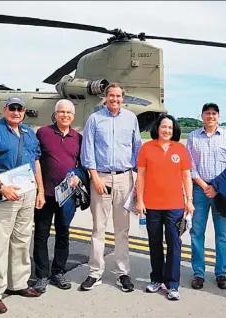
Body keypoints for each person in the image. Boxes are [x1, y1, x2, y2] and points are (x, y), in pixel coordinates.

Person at [0, 96, 45, 314]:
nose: (16, 112)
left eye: (20, 109)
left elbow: (36, 162)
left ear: (24, 111)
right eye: (12, 108)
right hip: (4, 193)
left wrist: (40, 191)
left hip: (27, 191)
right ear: (5, 109)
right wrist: (0, 186)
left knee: (22, 239)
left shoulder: (28, 132)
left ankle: (18, 283)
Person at [80, 82, 142, 292]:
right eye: (111, 96)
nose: (115, 99)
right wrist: (94, 176)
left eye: (118, 96)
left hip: (125, 178)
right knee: (98, 228)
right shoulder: (95, 119)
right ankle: (95, 272)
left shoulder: (131, 118)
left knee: (122, 229)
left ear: (122, 98)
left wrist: (136, 175)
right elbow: (87, 149)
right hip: (101, 179)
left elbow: (137, 147)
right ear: (105, 97)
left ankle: (122, 273)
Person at [135, 114, 194, 301]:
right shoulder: (147, 148)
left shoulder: (180, 149)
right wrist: (139, 200)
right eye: (163, 127)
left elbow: (186, 177)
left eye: (170, 127)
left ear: (174, 130)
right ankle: (156, 279)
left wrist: (189, 200)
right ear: (157, 128)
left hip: (175, 205)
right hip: (151, 205)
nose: (167, 130)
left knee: (174, 244)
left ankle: (172, 284)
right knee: (155, 243)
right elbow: (141, 176)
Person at [31, 99, 83, 293]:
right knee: (41, 235)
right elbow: (35, 160)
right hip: (46, 194)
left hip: (67, 196)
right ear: (55, 114)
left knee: (63, 234)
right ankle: (42, 275)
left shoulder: (78, 137)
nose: (65, 115)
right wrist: (39, 190)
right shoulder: (43, 133)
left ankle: (58, 272)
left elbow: (82, 165)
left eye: (68, 113)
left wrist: (79, 177)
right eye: (61, 112)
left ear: (73, 116)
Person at [186, 102, 226, 290]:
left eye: (214, 113)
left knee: (222, 234)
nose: (210, 116)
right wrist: (204, 185)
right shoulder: (193, 137)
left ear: (219, 116)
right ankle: (198, 272)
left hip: (221, 191)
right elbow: (190, 165)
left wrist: (216, 187)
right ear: (202, 116)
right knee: (197, 232)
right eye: (207, 113)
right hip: (200, 190)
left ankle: (221, 272)